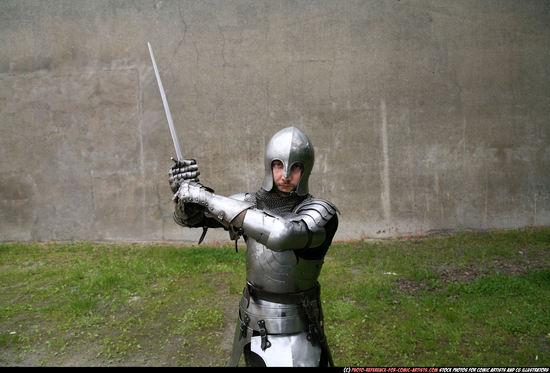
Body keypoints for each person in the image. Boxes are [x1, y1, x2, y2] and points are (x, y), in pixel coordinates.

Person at [168, 126, 338, 367]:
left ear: (306, 168)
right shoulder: (248, 204)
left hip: (298, 328)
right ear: (269, 165)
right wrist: (184, 194)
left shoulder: (321, 213)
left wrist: (204, 196)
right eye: (278, 165)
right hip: (253, 322)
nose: (286, 176)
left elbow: (281, 234)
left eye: (295, 167)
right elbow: (192, 219)